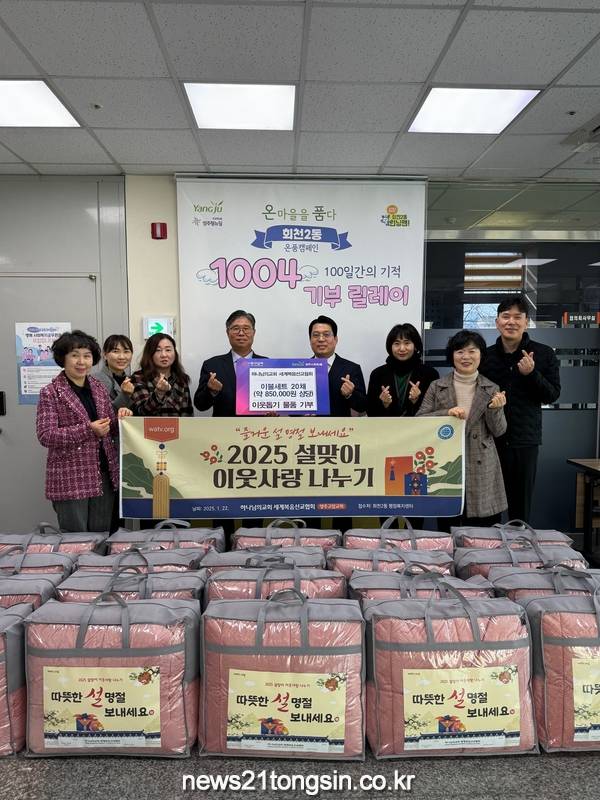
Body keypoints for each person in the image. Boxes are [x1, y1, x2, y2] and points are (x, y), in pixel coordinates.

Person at [36, 330, 132, 532]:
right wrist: (88, 430)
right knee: (75, 539)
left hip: (104, 474)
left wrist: (121, 418)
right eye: (75, 355)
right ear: (63, 358)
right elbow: (46, 435)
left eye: (87, 356)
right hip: (71, 477)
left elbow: (109, 427)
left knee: (102, 536)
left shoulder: (98, 387)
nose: (81, 362)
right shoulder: (50, 392)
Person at [479, 295, 561, 523]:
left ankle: (519, 542)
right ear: (497, 322)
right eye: (506, 316)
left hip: (524, 440)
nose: (511, 322)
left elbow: (552, 395)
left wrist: (532, 374)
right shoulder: (485, 356)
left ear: (526, 322)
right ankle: (486, 545)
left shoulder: (544, 353)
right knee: (489, 506)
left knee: (520, 506)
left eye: (517, 317)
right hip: (490, 440)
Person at [417, 330, 508, 529]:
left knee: (481, 529)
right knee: (448, 524)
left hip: (482, 463)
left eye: (472, 351)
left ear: (481, 355)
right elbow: (420, 420)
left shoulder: (492, 388)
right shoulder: (437, 386)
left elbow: (499, 431)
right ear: (452, 356)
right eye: (460, 351)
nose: (466, 357)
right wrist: (446, 413)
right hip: (447, 462)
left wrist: (495, 410)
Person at [194, 310, 266, 416]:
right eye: (236, 328)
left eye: (246, 328)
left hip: (256, 426)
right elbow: (200, 405)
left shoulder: (267, 365)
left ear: (254, 333)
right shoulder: (212, 365)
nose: (241, 333)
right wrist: (211, 391)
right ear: (227, 333)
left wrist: (273, 411)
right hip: (224, 426)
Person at [367, 323, 439, 417]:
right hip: (386, 426)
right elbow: (370, 411)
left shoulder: (430, 374)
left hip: (419, 426)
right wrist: (385, 404)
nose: (402, 348)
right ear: (390, 346)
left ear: (415, 346)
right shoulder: (377, 374)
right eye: (397, 343)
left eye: (407, 343)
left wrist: (416, 401)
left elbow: (436, 410)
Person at [309, 315, 367, 416]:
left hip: (340, 426)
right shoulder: (301, 368)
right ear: (310, 340)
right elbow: (293, 409)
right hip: (308, 425)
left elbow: (362, 406)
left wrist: (350, 394)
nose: (321, 339)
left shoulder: (352, 369)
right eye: (316, 335)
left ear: (335, 339)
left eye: (326, 335)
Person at [131, 333, 193, 417]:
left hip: (179, 426)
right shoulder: (139, 378)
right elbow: (142, 413)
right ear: (150, 354)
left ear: (174, 353)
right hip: (151, 425)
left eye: (168, 350)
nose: (164, 355)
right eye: (158, 350)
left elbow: (188, 413)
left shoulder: (181, 378)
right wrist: (159, 394)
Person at [94, 334, 134, 411]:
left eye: (126, 351)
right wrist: (125, 395)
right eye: (115, 351)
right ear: (105, 355)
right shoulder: (96, 380)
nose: (122, 357)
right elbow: (104, 412)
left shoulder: (133, 379)